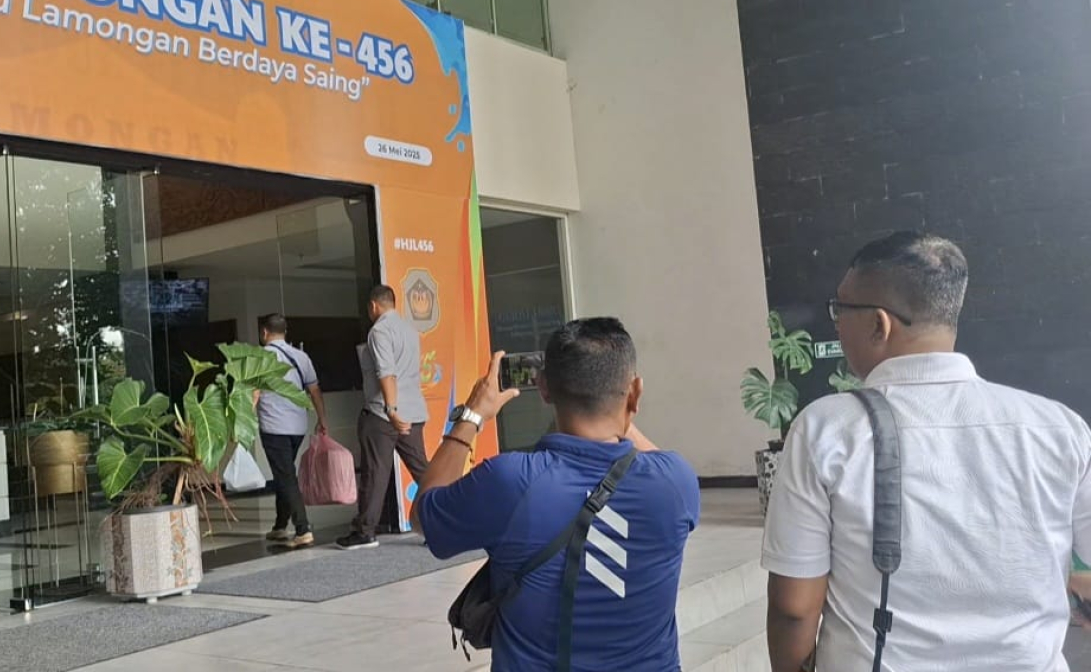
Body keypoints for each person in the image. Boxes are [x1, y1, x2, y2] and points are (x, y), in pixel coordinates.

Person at [763, 231, 1091, 672]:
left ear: (879, 324)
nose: (835, 325)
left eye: (840, 310)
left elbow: (794, 609)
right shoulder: (1059, 428)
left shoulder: (826, 429)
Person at [413, 318, 700, 671]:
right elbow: (644, 452)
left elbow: (424, 516)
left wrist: (472, 415)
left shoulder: (509, 481)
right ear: (635, 392)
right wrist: (622, 404)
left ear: (543, 388)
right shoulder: (676, 482)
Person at [336, 285, 430, 551]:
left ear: (373, 306)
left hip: (383, 414)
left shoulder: (379, 331)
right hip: (414, 412)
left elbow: (386, 373)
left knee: (376, 473)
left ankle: (365, 532)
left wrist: (391, 409)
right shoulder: (410, 330)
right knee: (424, 471)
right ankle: (449, 521)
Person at [257, 313, 328, 548]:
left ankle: (303, 529)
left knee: (286, 475)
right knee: (284, 472)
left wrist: (243, 422)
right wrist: (322, 419)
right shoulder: (301, 356)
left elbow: (254, 393)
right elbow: (315, 391)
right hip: (297, 426)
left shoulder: (260, 358)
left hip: (274, 426)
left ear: (264, 332)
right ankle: (280, 526)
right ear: (285, 332)